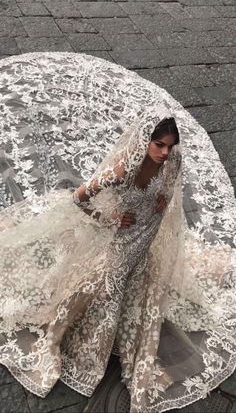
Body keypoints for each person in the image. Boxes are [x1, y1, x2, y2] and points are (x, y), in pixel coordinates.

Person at [0, 52, 235, 413]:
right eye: (158, 145)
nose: (164, 152)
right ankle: (53, 343)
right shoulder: (123, 170)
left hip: (147, 245)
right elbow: (80, 198)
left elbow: (168, 197)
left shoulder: (172, 163)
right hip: (120, 244)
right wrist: (111, 219)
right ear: (145, 141)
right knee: (91, 289)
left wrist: (158, 207)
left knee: (142, 302)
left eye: (169, 146)